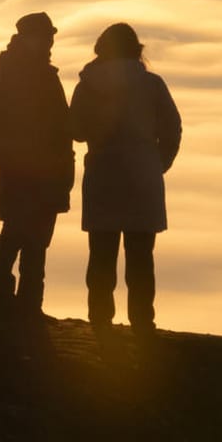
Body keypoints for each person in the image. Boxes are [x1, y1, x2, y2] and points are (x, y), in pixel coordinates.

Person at [70, 23, 181, 338]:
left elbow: (75, 131)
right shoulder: (153, 85)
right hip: (142, 178)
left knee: (101, 255)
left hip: (102, 176)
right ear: (136, 49)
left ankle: (100, 320)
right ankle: (143, 324)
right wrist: (158, 165)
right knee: (141, 258)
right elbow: (172, 129)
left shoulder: (87, 85)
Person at [0, 12, 73, 328]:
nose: (49, 43)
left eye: (50, 37)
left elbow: (62, 127)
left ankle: (26, 306)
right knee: (17, 236)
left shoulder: (33, 76)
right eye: (45, 37)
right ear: (28, 39)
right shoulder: (13, 78)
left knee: (34, 241)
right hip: (24, 174)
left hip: (43, 175)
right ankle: (6, 304)